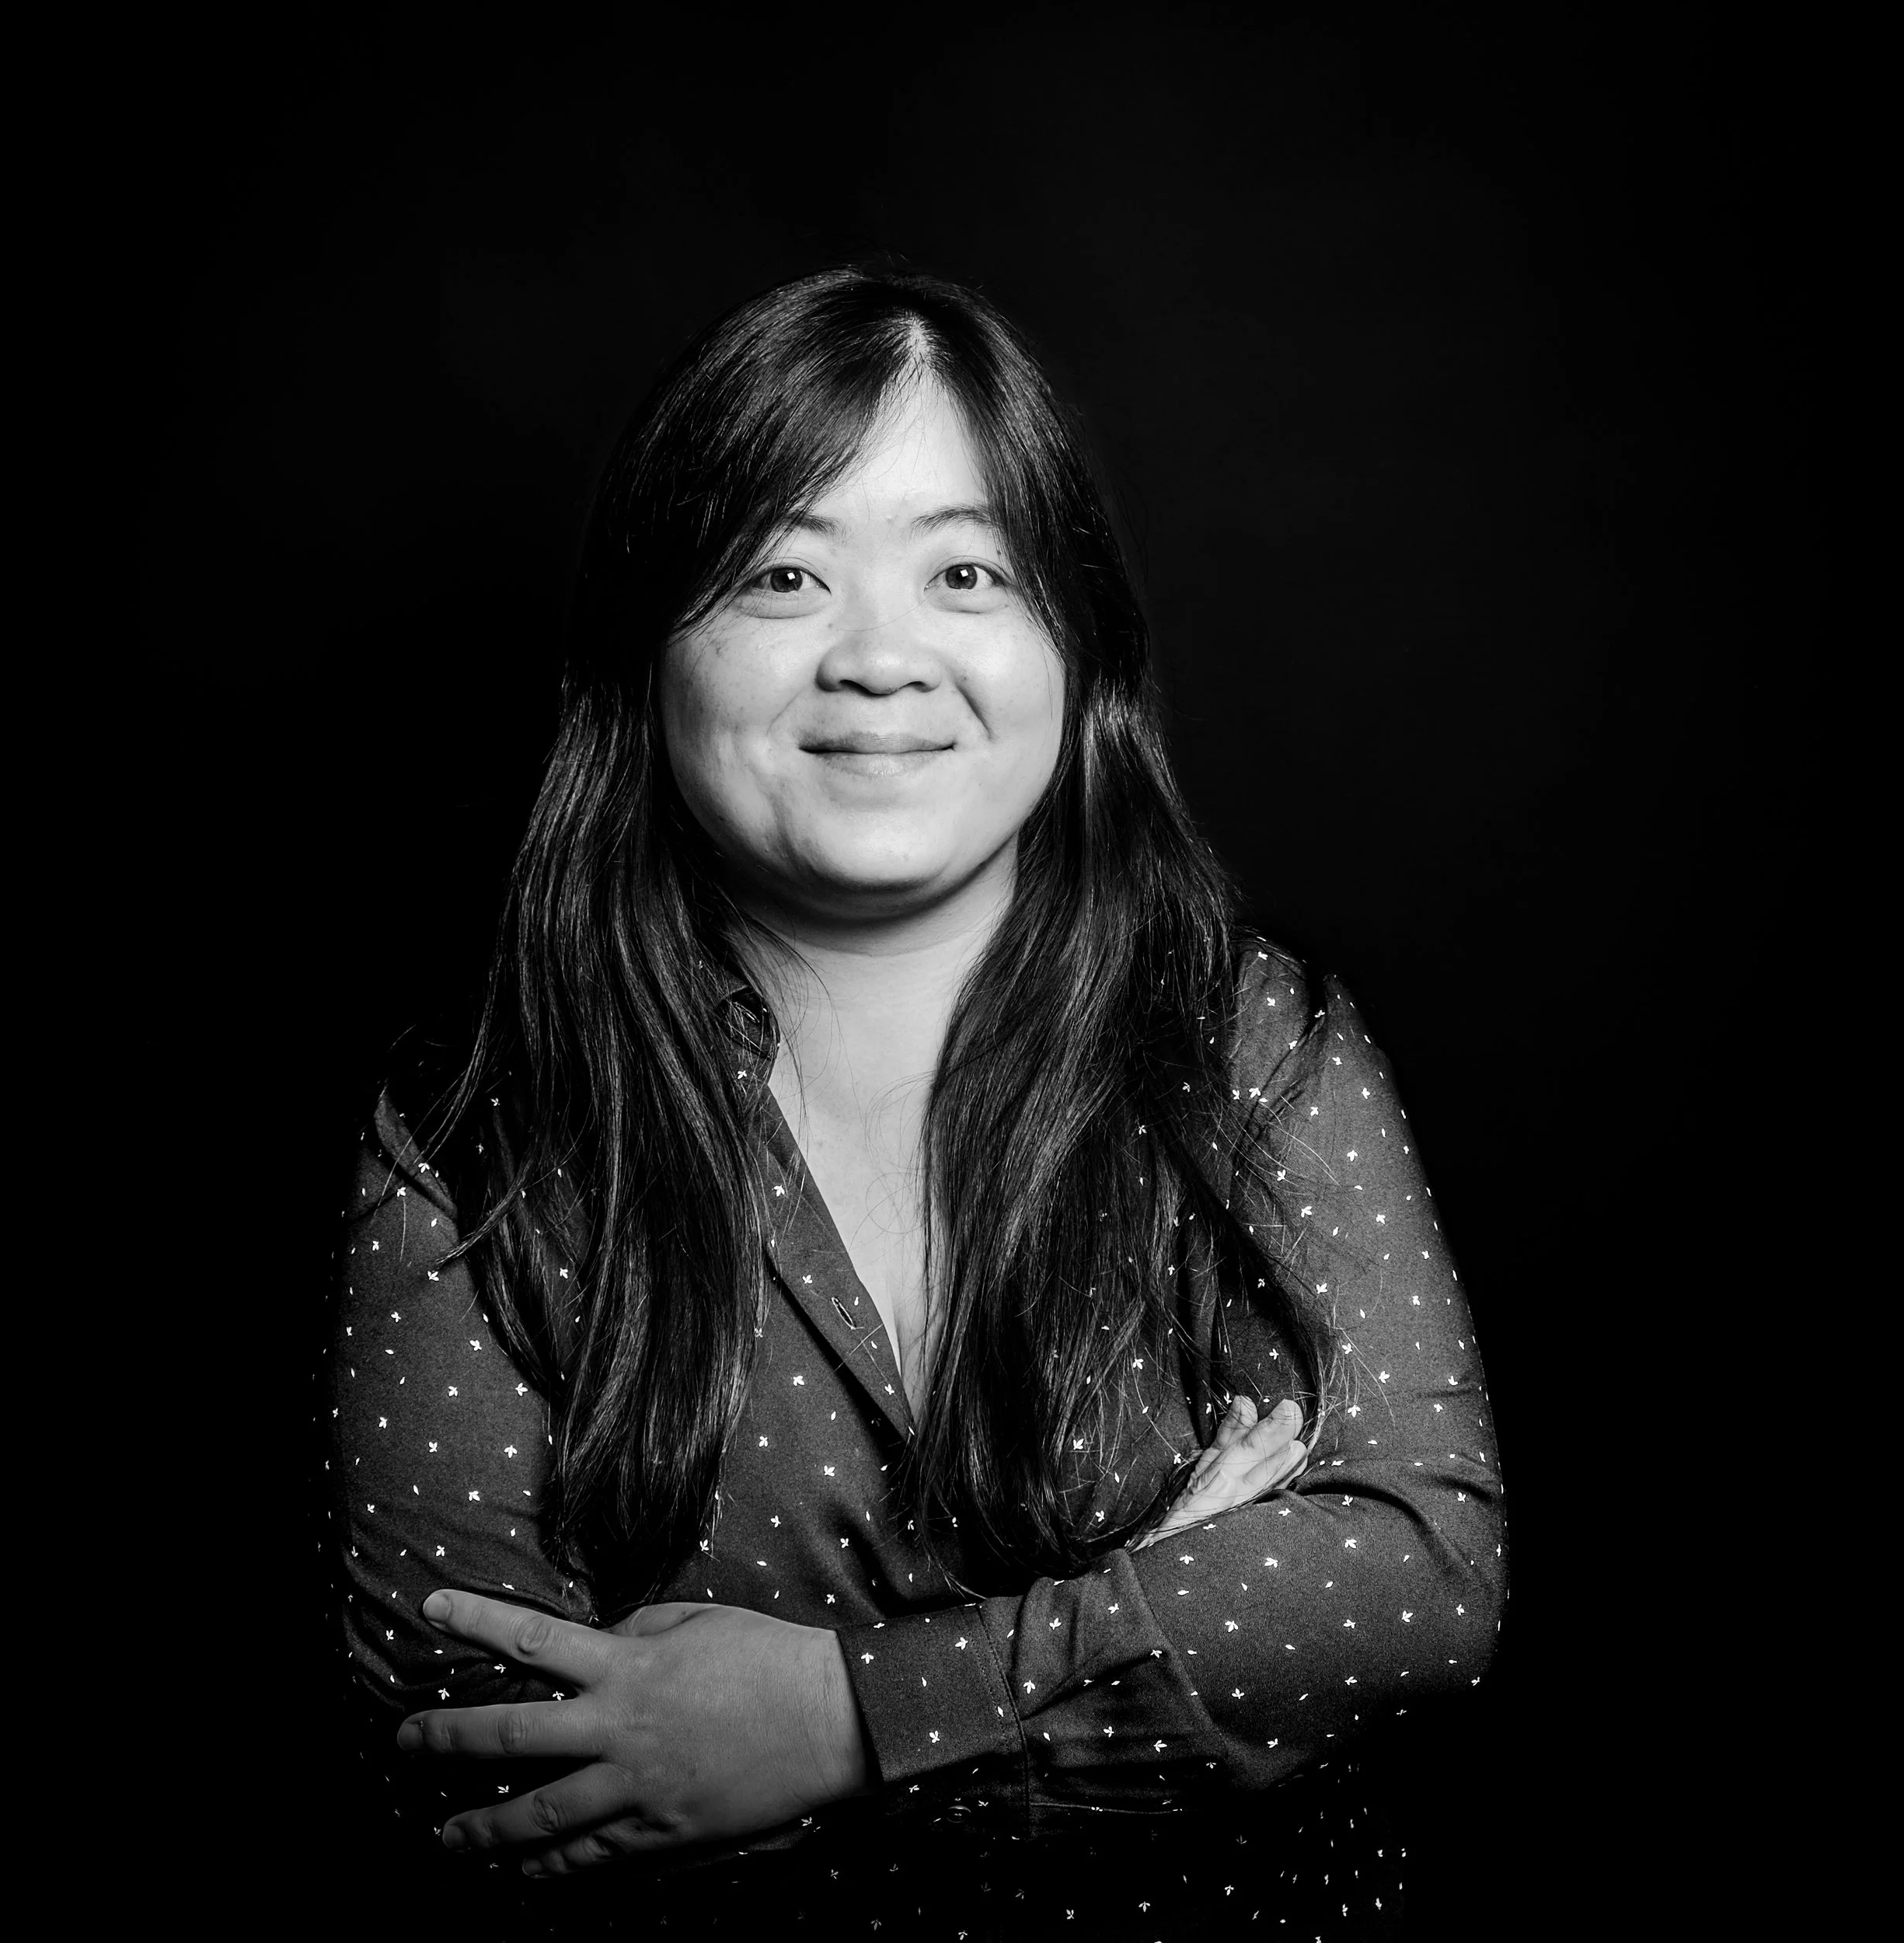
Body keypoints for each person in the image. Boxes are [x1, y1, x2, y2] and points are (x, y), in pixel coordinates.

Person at [323, 267, 1505, 1937]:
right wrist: (1142, 1627)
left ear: (1073, 642)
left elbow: (1415, 1574)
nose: (881, 657)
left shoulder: (1251, 1038)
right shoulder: (474, 1127)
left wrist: (832, 1718)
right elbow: (483, 1755)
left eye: (965, 571)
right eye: (782, 574)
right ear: (647, 653)